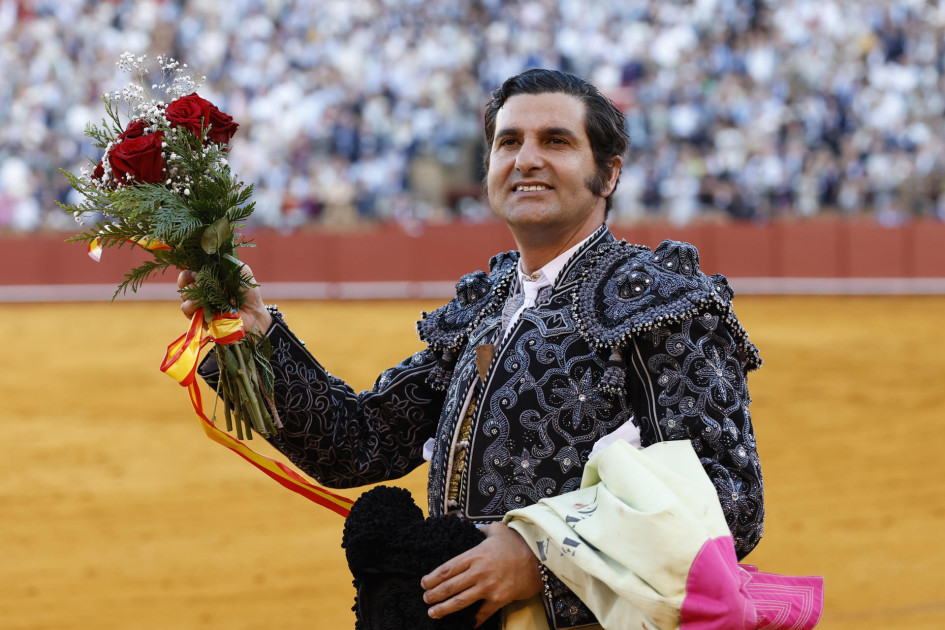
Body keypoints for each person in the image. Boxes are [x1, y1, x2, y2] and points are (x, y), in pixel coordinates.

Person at [180, 69, 764, 629]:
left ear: (607, 174)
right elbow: (359, 444)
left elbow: (729, 500)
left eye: (555, 141)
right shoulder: (483, 305)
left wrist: (541, 560)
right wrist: (256, 339)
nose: (526, 158)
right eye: (508, 142)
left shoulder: (663, 301)